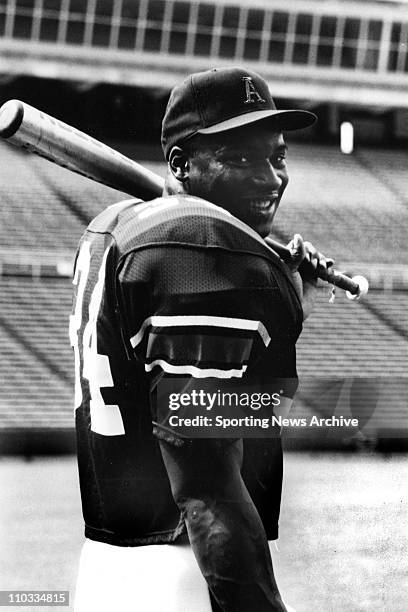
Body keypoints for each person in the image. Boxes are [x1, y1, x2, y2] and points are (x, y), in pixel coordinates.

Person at [71, 67, 331, 612]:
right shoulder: (202, 249)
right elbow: (208, 485)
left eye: (277, 157)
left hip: (109, 563)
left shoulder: (116, 225)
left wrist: (288, 294)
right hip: (183, 569)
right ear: (180, 165)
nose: (270, 179)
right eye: (239, 160)